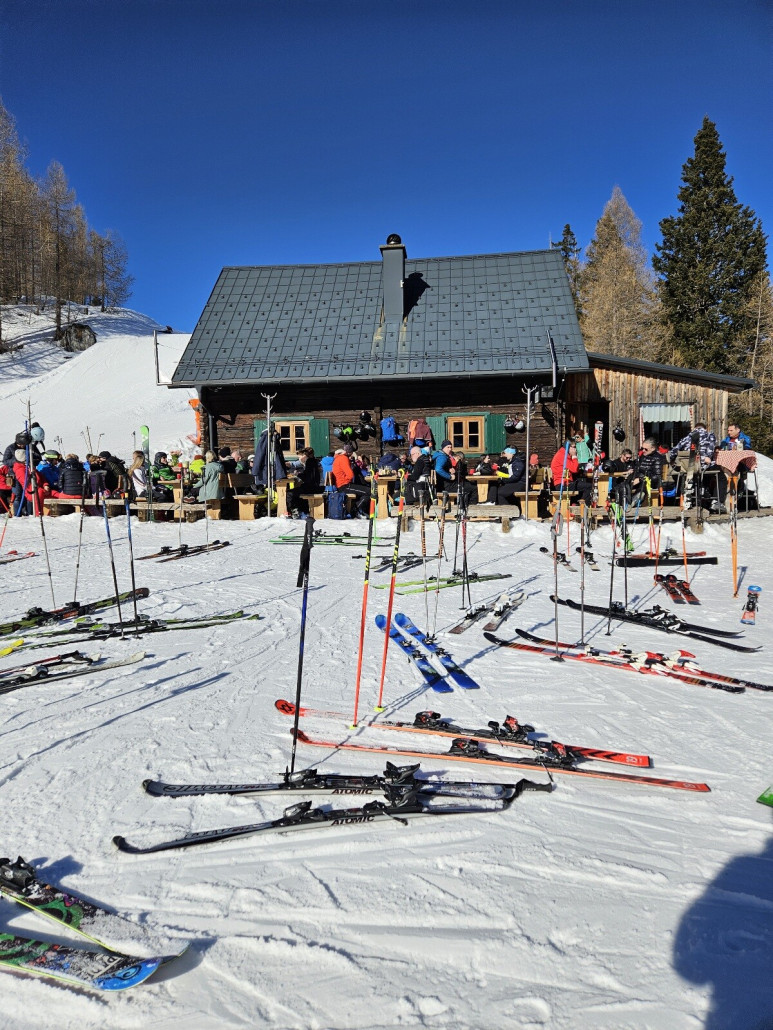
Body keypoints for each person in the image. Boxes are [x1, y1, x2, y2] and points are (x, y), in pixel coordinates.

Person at [667, 424, 718, 510]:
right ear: (705, 429)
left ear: (694, 428)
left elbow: (673, 452)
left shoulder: (686, 438)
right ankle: (712, 498)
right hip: (701, 467)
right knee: (718, 473)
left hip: (686, 468)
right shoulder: (710, 436)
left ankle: (687, 496)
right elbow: (710, 452)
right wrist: (704, 458)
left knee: (687, 474)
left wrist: (672, 461)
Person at [331, 447, 370, 517]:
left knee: (363, 490)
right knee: (369, 491)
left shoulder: (337, 459)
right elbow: (350, 474)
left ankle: (359, 510)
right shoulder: (343, 459)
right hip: (344, 485)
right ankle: (355, 509)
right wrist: (347, 479)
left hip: (340, 485)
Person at [434, 440, 475, 506]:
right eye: (448, 447)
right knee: (473, 488)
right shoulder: (442, 457)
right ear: (443, 448)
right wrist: (449, 476)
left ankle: (464, 507)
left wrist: (449, 469)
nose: (450, 449)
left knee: (467, 486)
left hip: (444, 485)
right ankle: (473, 510)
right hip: (446, 486)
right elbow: (438, 469)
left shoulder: (442, 455)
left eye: (451, 447)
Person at [287, 447, 319, 518]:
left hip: (311, 487)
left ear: (305, 455)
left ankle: (293, 511)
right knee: (296, 491)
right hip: (313, 486)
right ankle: (302, 511)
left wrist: (298, 474)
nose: (299, 458)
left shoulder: (310, 462)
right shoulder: (313, 461)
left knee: (290, 494)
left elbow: (308, 478)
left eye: (301, 456)